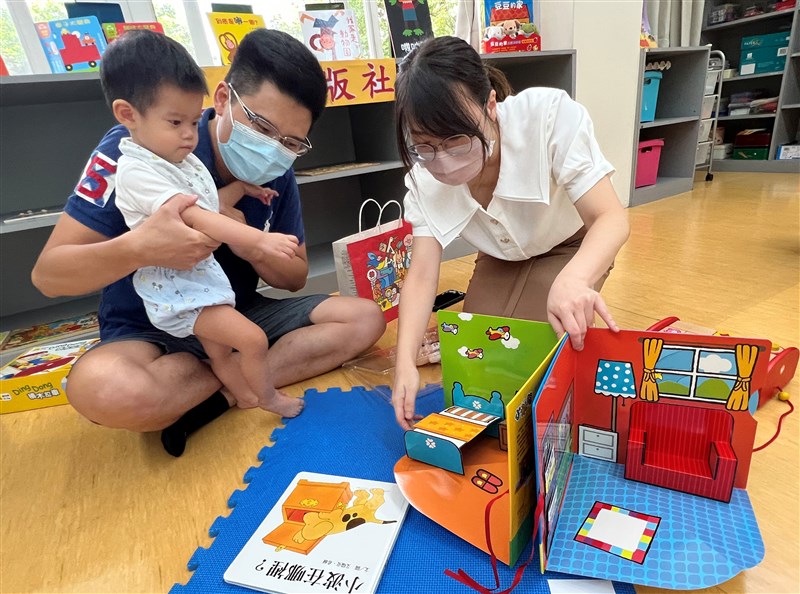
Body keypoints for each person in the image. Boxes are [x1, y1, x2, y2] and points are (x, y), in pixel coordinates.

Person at [31, 29, 386, 455]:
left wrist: (249, 244)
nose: (273, 149)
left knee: (363, 319)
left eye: (291, 142)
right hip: (151, 325)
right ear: (221, 99)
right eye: (262, 127)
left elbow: (294, 277)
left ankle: (226, 389)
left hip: (235, 312)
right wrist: (140, 246)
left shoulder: (276, 170)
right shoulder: (140, 151)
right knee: (106, 390)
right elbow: (49, 276)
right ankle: (239, 376)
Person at [390, 37, 630, 429]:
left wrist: (576, 278)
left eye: (456, 139)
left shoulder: (547, 116)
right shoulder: (423, 179)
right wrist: (404, 364)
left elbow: (610, 218)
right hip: (500, 256)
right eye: (424, 146)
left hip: (572, 245)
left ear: (490, 104)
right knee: (481, 360)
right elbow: (421, 275)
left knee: (532, 365)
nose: (443, 160)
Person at [103, 31, 302, 419]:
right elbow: (196, 216)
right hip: (183, 293)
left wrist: (243, 188)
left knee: (222, 352)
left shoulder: (176, 158)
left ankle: (242, 394)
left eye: (194, 122)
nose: (188, 134)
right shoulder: (136, 171)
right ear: (128, 115)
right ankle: (269, 398)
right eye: (175, 122)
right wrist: (259, 242)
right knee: (253, 340)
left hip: (201, 284)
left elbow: (208, 201)